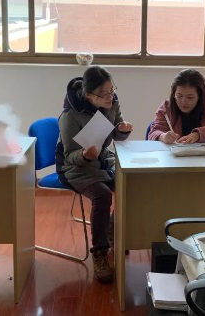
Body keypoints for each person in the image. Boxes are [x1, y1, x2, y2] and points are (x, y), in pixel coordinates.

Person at [55, 66, 133, 284]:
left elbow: (116, 133)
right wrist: (84, 155)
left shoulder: (111, 102)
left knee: (131, 183)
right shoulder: (70, 116)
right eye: (103, 94)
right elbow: (70, 156)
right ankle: (99, 252)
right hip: (74, 167)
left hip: (100, 160)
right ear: (88, 95)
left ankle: (111, 228)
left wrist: (123, 130)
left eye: (112, 90)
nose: (110, 97)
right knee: (102, 194)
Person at [148, 69, 205, 144]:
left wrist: (199, 134)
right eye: (179, 96)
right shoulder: (167, 107)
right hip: (173, 156)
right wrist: (163, 136)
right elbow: (153, 132)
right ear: (173, 93)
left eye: (190, 97)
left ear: (199, 96)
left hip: (204, 157)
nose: (184, 101)